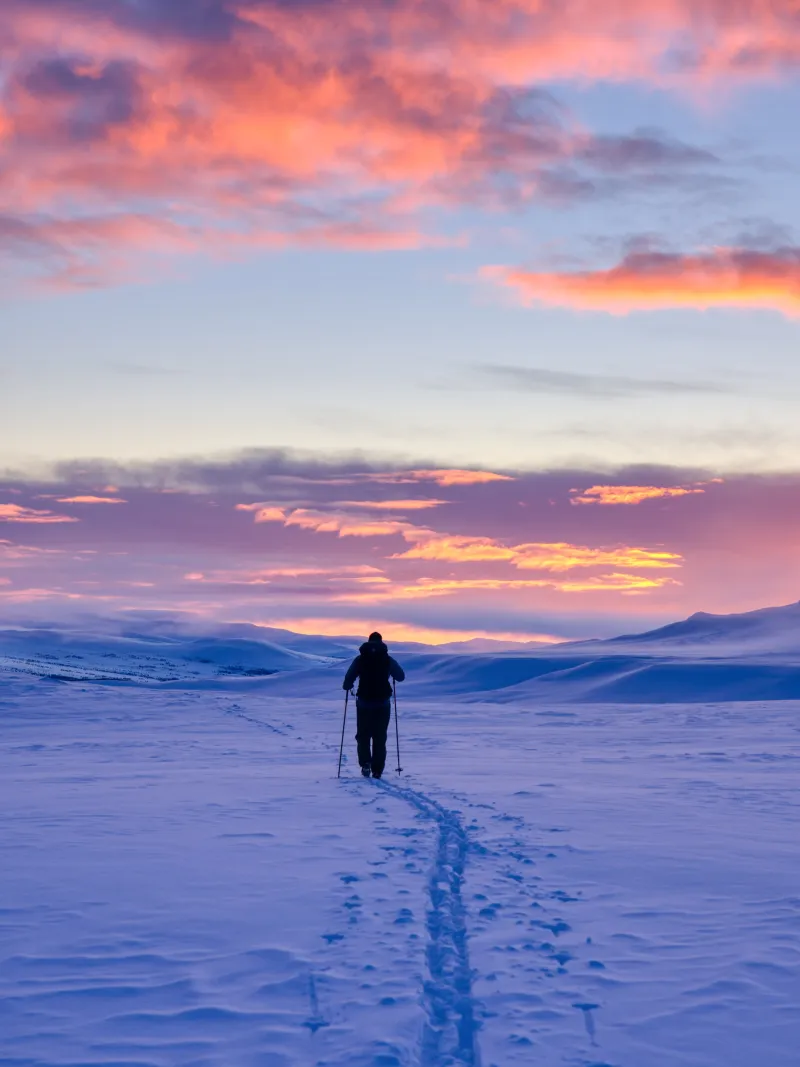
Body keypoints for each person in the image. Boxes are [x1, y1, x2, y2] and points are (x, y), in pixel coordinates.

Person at [342, 632, 405, 778]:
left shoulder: (360, 659)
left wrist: (348, 685)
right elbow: (401, 677)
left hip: (364, 703)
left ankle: (365, 763)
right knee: (380, 736)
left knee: (363, 735)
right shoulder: (387, 659)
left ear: (368, 641)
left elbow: (348, 679)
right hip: (383, 703)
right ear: (381, 642)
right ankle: (378, 769)